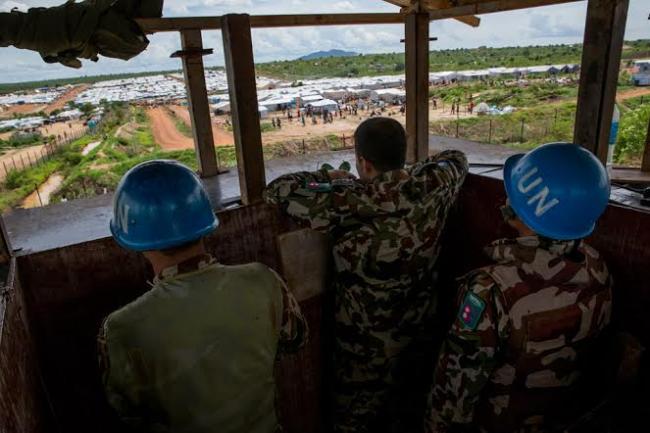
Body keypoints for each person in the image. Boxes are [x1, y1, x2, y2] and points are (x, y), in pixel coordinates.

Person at [264, 117, 468, 433]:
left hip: (363, 352)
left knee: (352, 422)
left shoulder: (345, 199)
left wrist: (326, 176)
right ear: (403, 152)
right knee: (409, 413)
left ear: (363, 162)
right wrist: (409, 175)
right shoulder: (435, 184)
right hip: (419, 338)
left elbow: (277, 190)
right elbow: (456, 157)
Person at [99, 160, 307, 433]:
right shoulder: (263, 279)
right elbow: (295, 341)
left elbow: (127, 412)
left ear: (133, 238)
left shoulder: (121, 329)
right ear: (204, 220)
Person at [426, 143, 613, 433]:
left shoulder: (491, 289)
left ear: (526, 209)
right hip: (561, 417)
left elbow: (456, 386)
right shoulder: (596, 266)